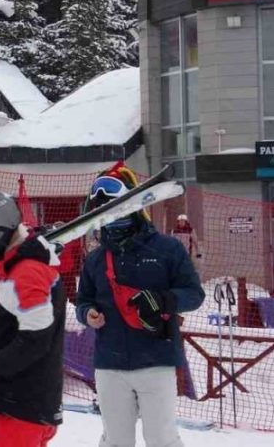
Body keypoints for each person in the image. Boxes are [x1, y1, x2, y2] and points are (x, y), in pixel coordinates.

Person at [76, 166, 205, 447]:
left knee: (161, 439)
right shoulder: (96, 259)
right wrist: (88, 313)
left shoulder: (166, 249)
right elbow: (83, 300)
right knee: (115, 440)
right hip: (110, 364)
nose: (107, 212)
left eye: (113, 202)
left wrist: (163, 301)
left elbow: (194, 294)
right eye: (101, 206)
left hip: (156, 362)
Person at [0, 191, 65, 446]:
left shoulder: (27, 272)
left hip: (19, 406)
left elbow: (36, 338)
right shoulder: (19, 267)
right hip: (21, 403)